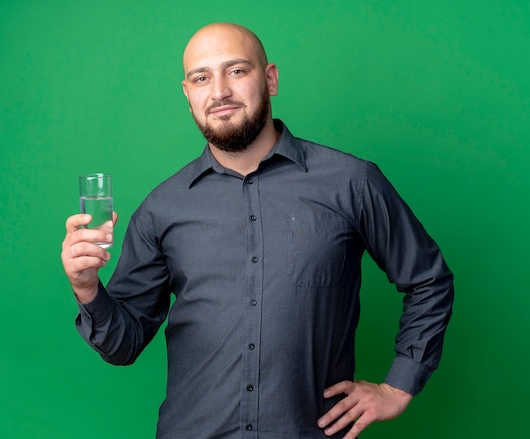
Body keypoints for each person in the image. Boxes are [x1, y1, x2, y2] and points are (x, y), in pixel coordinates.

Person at [61, 23, 454, 439]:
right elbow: (123, 345)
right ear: (188, 94)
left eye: (236, 71)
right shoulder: (162, 208)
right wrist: (87, 288)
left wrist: (398, 385)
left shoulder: (351, 182)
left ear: (270, 79)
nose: (219, 92)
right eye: (201, 78)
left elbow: (428, 279)